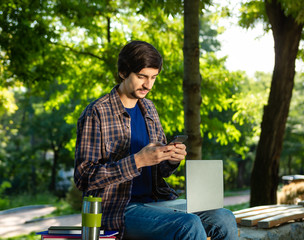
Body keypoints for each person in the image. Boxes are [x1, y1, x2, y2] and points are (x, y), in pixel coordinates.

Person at [74, 40, 238, 240]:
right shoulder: (96, 112)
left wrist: (171, 158)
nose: (148, 85)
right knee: (188, 224)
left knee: (224, 217)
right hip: (117, 209)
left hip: (158, 202)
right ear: (123, 72)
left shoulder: (149, 109)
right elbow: (84, 177)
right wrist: (137, 161)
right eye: (142, 76)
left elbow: (161, 171)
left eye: (153, 77)